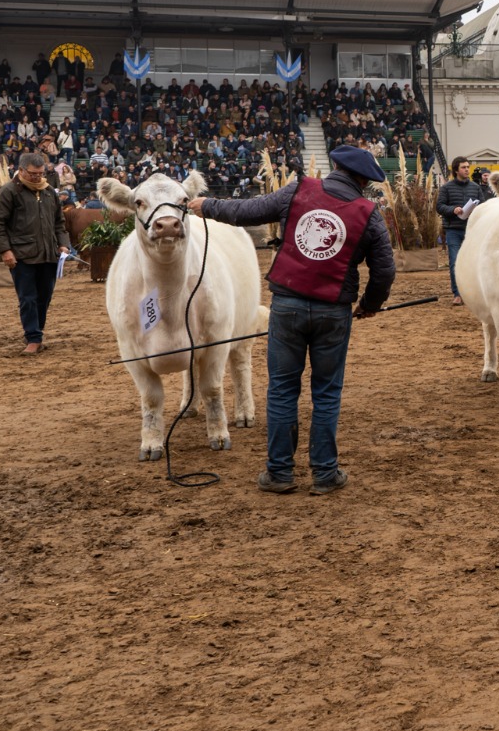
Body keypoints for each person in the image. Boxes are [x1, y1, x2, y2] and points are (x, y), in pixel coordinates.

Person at [189, 145, 396, 495]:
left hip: (287, 305)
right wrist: (370, 304)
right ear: (363, 179)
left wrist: (206, 206)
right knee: (326, 393)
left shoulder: (299, 189)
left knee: (283, 390)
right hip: (334, 309)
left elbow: (248, 211)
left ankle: (280, 473)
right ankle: (325, 473)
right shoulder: (367, 211)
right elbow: (385, 269)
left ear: (336, 167)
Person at [0, 151, 71, 355]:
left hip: (49, 255)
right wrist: (5, 251)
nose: (37, 177)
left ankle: (36, 332)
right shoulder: (9, 192)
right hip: (22, 256)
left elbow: (60, 223)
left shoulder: (50, 192)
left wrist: (63, 245)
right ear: (21, 170)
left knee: (44, 297)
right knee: (28, 298)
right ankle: (33, 337)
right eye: (33, 173)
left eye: (41, 173)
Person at [435, 156, 482, 305]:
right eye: (463, 167)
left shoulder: (476, 188)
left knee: (474, 263)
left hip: (472, 231)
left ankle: (471, 294)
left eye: (468, 167)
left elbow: (483, 206)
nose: (467, 169)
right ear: (456, 170)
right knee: (455, 262)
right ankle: (457, 294)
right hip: (453, 230)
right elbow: (439, 206)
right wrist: (453, 210)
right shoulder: (446, 188)